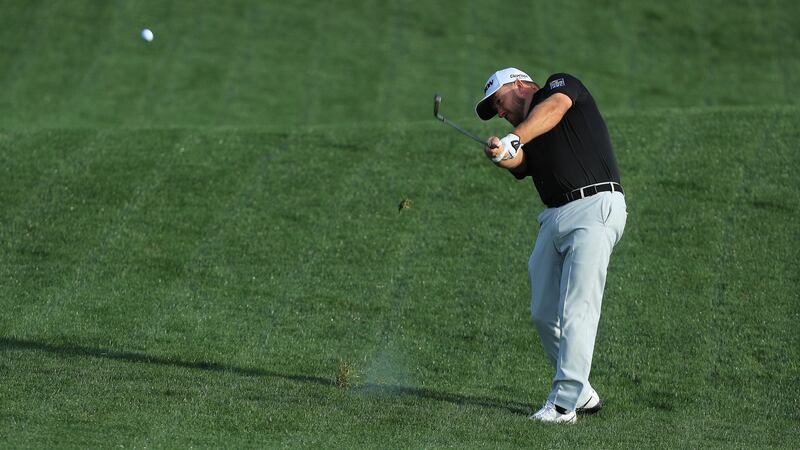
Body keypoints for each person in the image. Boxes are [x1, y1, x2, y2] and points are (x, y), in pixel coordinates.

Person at [475, 68, 627, 424]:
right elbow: (521, 164)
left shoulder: (558, 87)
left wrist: (514, 136)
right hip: (555, 217)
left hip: (594, 207)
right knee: (544, 312)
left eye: (499, 102)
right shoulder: (528, 133)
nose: (500, 112)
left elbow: (556, 108)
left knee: (577, 310)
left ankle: (562, 406)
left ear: (519, 85)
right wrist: (500, 154)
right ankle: (583, 392)